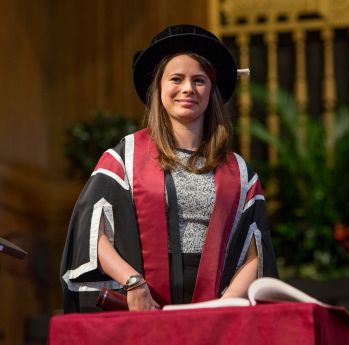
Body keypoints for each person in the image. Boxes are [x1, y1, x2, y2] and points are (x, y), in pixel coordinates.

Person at [60, 24, 278, 313]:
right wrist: (133, 282)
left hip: (217, 305)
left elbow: (255, 252)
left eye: (199, 80)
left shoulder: (239, 172)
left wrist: (225, 305)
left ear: (212, 90)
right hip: (141, 301)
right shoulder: (124, 156)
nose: (188, 88)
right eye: (176, 78)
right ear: (159, 87)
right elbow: (92, 234)